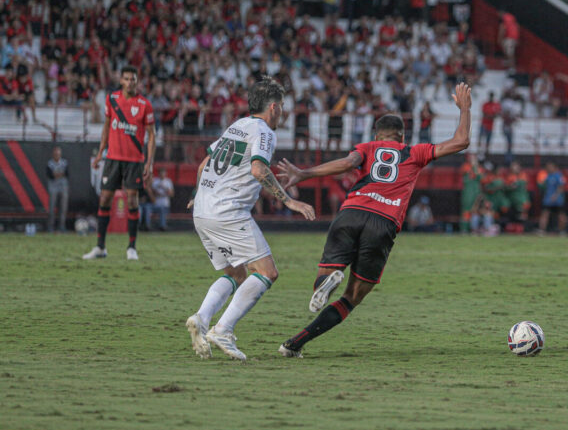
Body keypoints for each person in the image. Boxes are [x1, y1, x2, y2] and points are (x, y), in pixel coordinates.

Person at [275, 83, 472, 358]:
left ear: (376, 135)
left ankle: (326, 283)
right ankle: (295, 343)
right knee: (352, 297)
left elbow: (346, 163)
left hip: (351, 213)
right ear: (402, 137)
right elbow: (461, 142)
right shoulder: (414, 152)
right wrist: (465, 108)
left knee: (323, 278)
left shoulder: (367, 148)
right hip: (384, 223)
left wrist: (304, 173)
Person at [184, 79, 316, 361]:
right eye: (282, 107)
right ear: (273, 107)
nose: (282, 113)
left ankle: (201, 318)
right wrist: (290, 200)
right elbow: (258, 169)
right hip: (227, 211)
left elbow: (203, 165)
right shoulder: (264, 131)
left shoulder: (237, 126)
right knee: (267, 272)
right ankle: (223, 330)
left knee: (236, 273)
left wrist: (198, 194)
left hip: (202, 210)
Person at [83, 66, 156, 261]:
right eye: (127, 79)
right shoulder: (112, 99)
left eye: (133, 79)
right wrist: (100, 154)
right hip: (113, 158)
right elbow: (106, 127)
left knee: (132, 200)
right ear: (121, 81)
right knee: (105, 199)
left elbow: (152, 135)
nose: (130, 82)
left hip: (134, 161)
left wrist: (149, 162)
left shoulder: (144, 104)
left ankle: (131, 247)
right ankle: (100, 247)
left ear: (137, 81)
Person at [536, 161, 567, 236]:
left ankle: (562, 231)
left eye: (550, 166)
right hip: (548, 200)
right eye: (547, 166)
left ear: (554, 167)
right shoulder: (547, 176)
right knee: (545, 214)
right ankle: (541, 230)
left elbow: (561, 187)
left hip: (558, 200)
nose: (548, 168)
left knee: (561, 215)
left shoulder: (559, 176)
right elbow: (543, 186)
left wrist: (556, 195)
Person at [46, 146, 69, 233]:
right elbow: (50, 175)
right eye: (55, 154)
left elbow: (67, 173)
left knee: (63, 208)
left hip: (63, 186)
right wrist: (59, 174)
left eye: (58, 154)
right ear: (53, 154)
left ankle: (62, 226)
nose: (57, 155)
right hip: (53, 187)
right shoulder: (50, 163)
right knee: (52, 207)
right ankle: (51, 226)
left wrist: (56, 174)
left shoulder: (64, 163)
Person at [150, 167, 174, 231]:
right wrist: (157, 192)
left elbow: (171, 194)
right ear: (158, 174)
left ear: (165, 174)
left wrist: (164, 188)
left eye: (163, 173)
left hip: (165, 205)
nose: (162, 174)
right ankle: (147, 227)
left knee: (162, 209)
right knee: (147, 208)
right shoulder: (155, 181)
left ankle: (162, 227)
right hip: (155, 204)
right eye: (160, 173)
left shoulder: (168, 182)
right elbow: (152, 192)